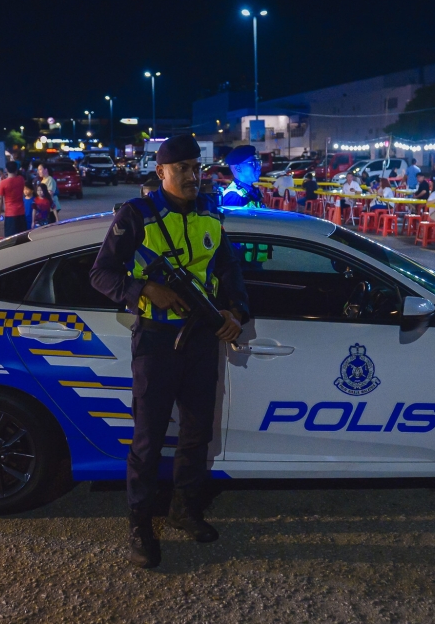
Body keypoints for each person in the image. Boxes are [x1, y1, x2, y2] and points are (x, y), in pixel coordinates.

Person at [90, 135, 248, 570]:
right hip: (157, 340)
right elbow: (101, 274)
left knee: (196, 434)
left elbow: (227, 268)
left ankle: (184, 510)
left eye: (197, 167)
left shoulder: (211, 212)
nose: (194, 175)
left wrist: (236, 310)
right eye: (183, 168)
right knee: (148, 439)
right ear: (161, 172)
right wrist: (144, 289)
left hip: (202, 338)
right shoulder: (136, 215)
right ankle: (140, 526)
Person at [0, 161, 27, 236]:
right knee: (22, 236)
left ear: (6, 169)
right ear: (16, 169)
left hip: (10, 213)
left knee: (10, 238)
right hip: (21, 212)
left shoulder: (3, 183)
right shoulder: (21, 179)